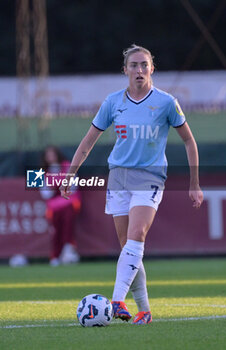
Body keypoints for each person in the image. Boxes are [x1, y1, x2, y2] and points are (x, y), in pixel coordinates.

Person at [60, 44, 203, 324]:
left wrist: (194, 182)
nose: (139, 70)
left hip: (149, 177)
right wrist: (71, 174)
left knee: (137, 234)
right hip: (118, 177)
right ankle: (145, 310)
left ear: (152, 68)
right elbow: (89, 140)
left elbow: (188, 140)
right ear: (124, 70)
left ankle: (116, 300)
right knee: (128, 246)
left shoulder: (165, 102)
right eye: (134, 65)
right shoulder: (113, 102)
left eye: (144, 65)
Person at [40, 145, 81, 266]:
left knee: (68, 225)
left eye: (52, 154)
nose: (50, 157)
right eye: (48, 155)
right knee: (55, 230)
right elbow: (45, 194)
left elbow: (73, 187)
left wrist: (61, 187)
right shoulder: (43, 172)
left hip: (69, 203)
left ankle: (68, 251)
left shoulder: (68, 166)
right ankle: (55, 256)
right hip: (54, 207)